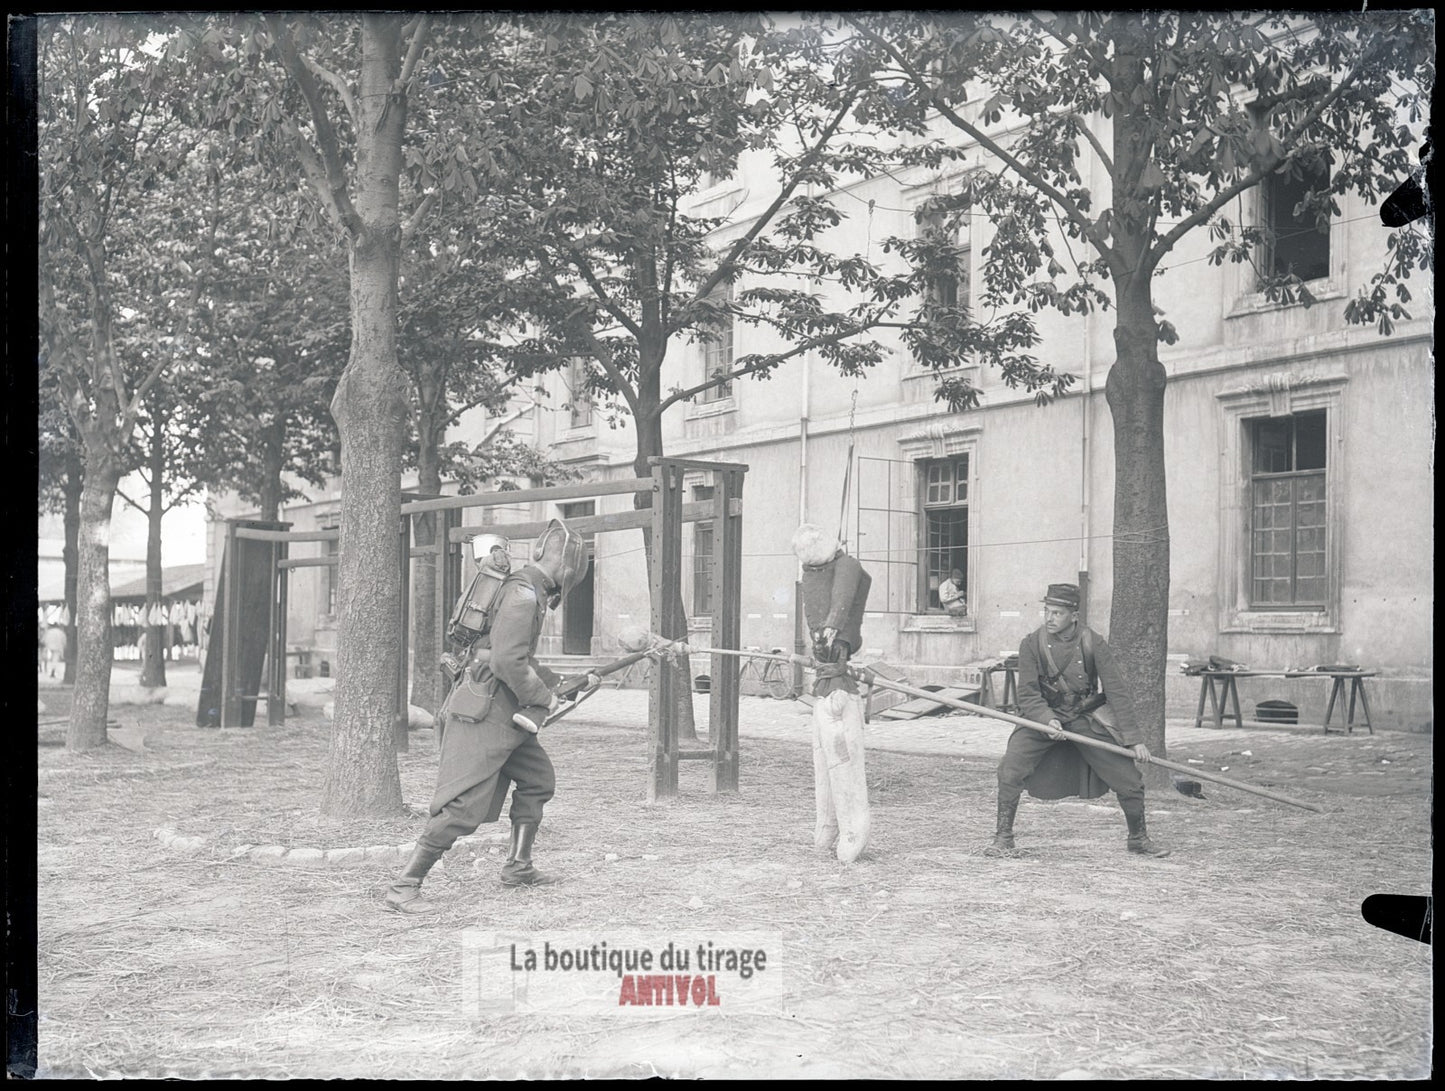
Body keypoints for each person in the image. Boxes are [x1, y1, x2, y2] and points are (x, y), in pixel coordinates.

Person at [385, 517, 597, 914]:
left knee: (537, 780)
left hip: (502, 708)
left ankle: (518, 867)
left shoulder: (526, 588)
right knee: (464, 804)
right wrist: (544, 697)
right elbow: (505, 661)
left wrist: (566, 679)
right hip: (484, 710)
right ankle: (404, 885)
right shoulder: (524, 595)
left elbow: (510, 654)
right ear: (568, 570)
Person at [986, 583, 1170, 858]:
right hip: (1041, 717)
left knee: (1129, 778)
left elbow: (1116, 692)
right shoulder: (1030, 644)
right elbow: (1027, 694)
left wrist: (1134, 740)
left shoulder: (1092, 642)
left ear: (1074, 615)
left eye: (1057, 613)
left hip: (1083, 717)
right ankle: (1003, 837)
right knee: (1010, 769)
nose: (1049, 618)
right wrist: (1047, 720)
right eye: (1047, 611)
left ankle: (1138, 839)